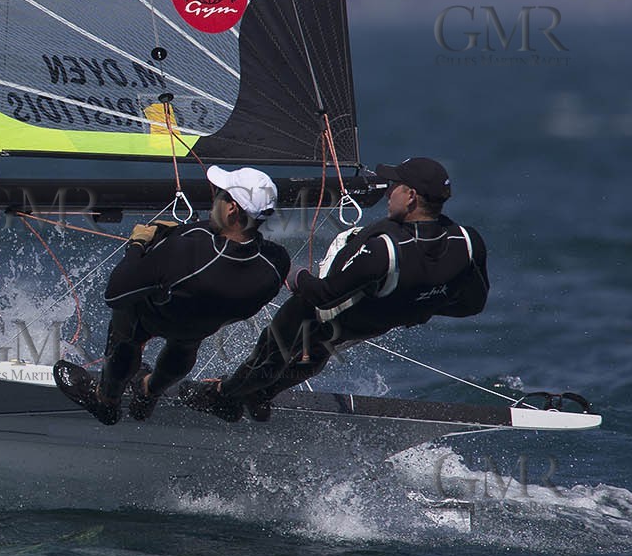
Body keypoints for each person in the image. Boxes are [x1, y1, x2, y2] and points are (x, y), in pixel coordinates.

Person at [197, 157, 488, 422]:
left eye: (395, 186)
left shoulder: (383, 249)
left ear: (411, 196)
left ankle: (225, 394)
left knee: (272, 353)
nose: (389, 193)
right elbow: (472, 305)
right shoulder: (467, 240)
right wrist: (419, 305)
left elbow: (323, 295)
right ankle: (260, 395)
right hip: (371, 324)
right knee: (314, 356)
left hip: (329, 312)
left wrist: (291, 272)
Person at [54, 165, 291, 424]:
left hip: (157, 316)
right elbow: (223, 253)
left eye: (221, 195)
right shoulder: (276, 262)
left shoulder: (188, 249)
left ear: (232, 208)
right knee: (186, 340)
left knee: (126, 326)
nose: (215, 199)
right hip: (200, 326)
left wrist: (138, 244)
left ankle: (107, 399)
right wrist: (180, 234)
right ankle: (148, 392)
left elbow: (115, 294)